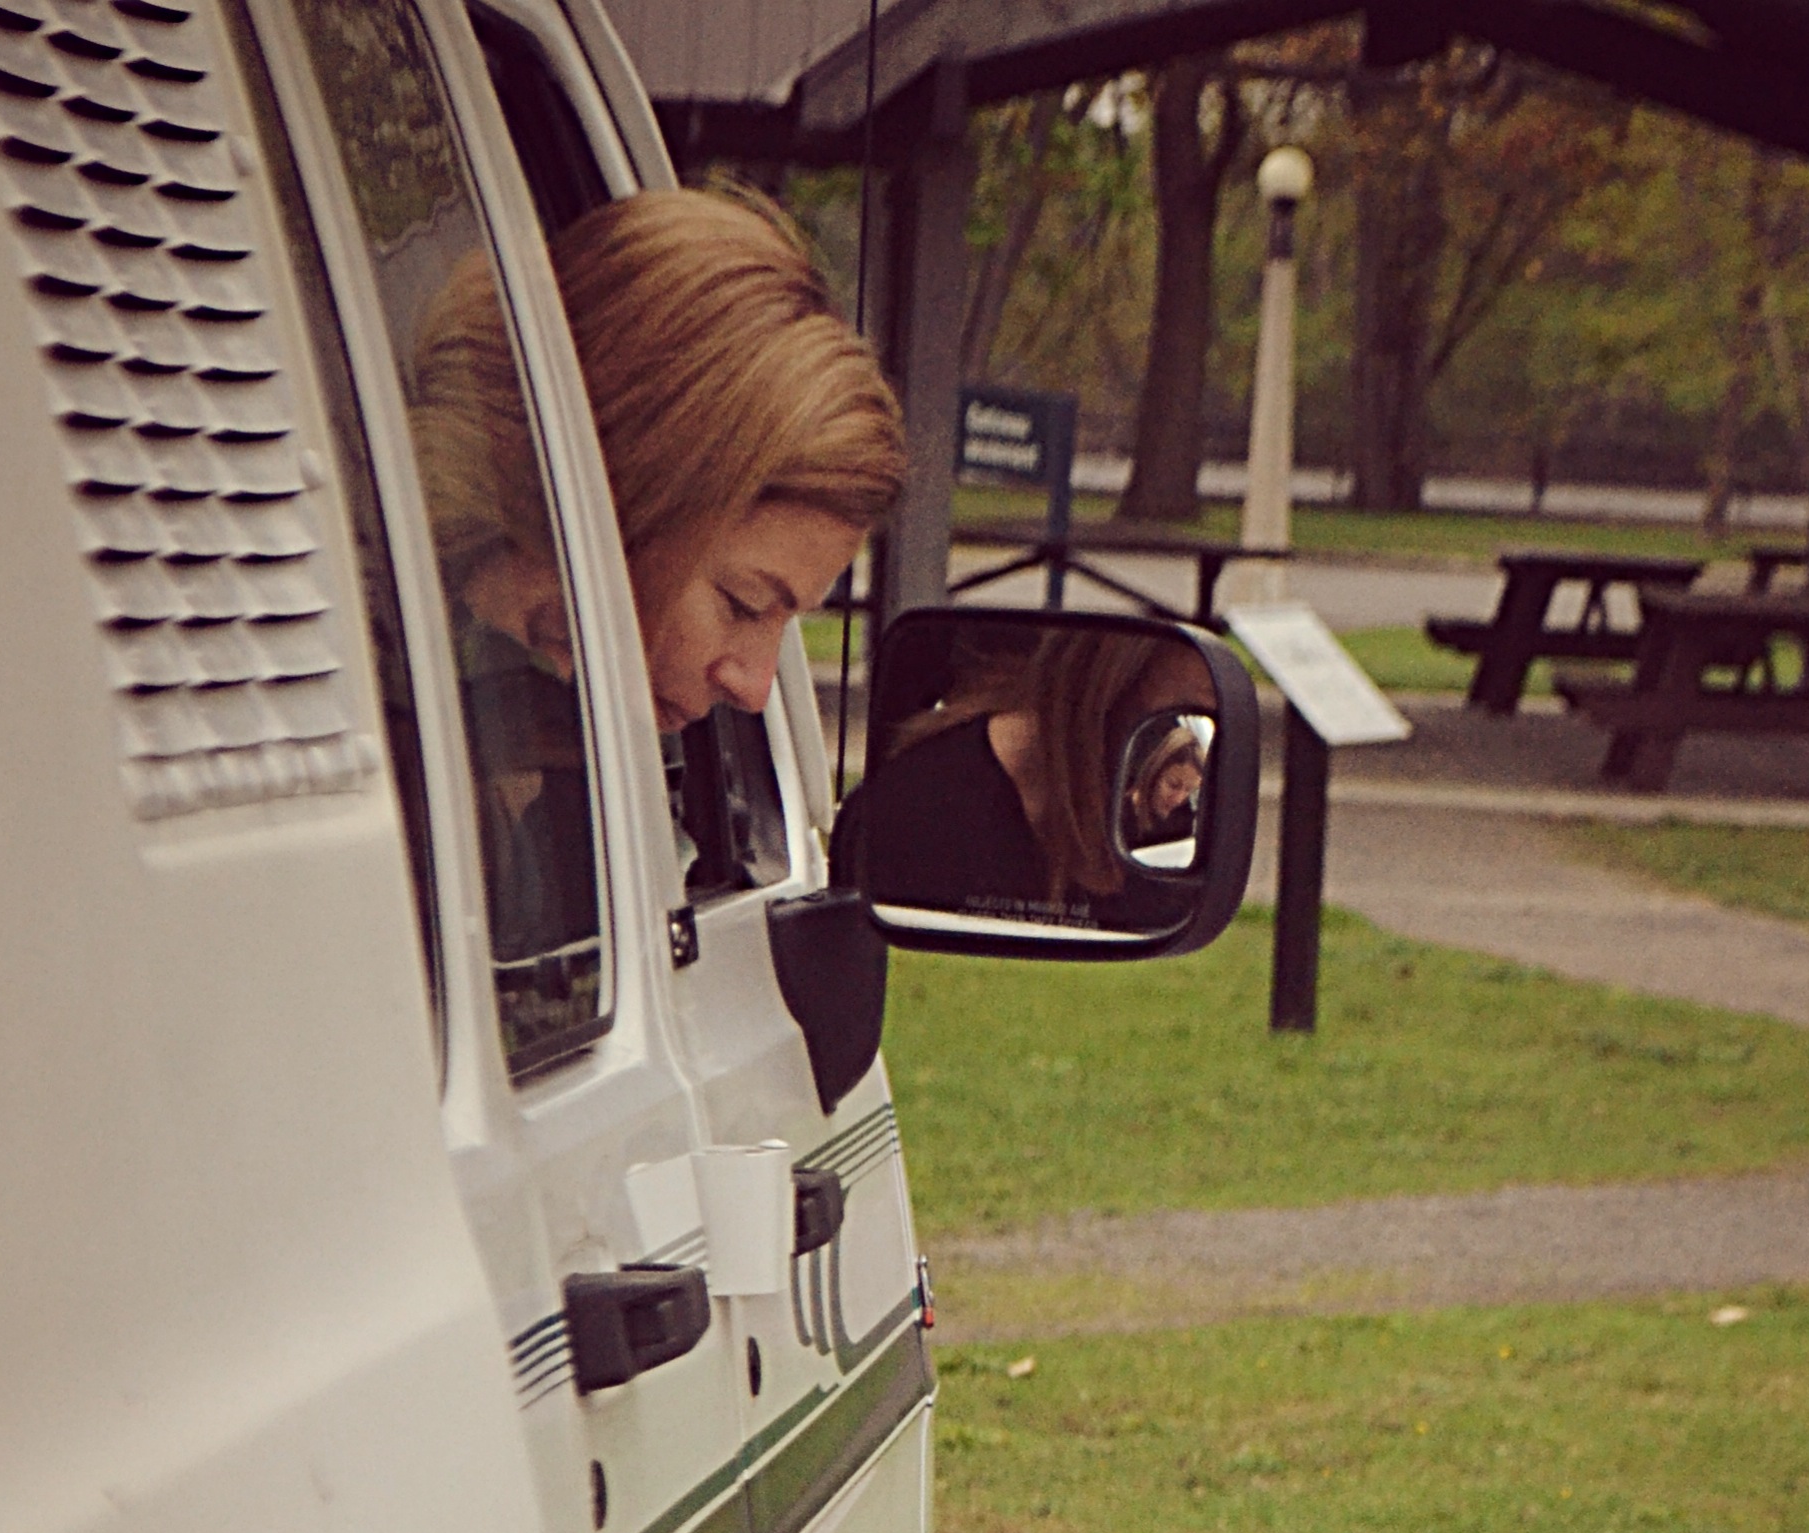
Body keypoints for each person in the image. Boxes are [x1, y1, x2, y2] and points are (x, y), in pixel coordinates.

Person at [408, 186, 906, 964]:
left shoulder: (500, 726)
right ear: (619, 489)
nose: (755, 688)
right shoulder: (371, 696)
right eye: (743, 603)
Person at [838, 623, 1217, 922]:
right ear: (1106, 683)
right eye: (1186, 714)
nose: (1179, 797)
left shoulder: (1142, 827)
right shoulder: (919, 811)